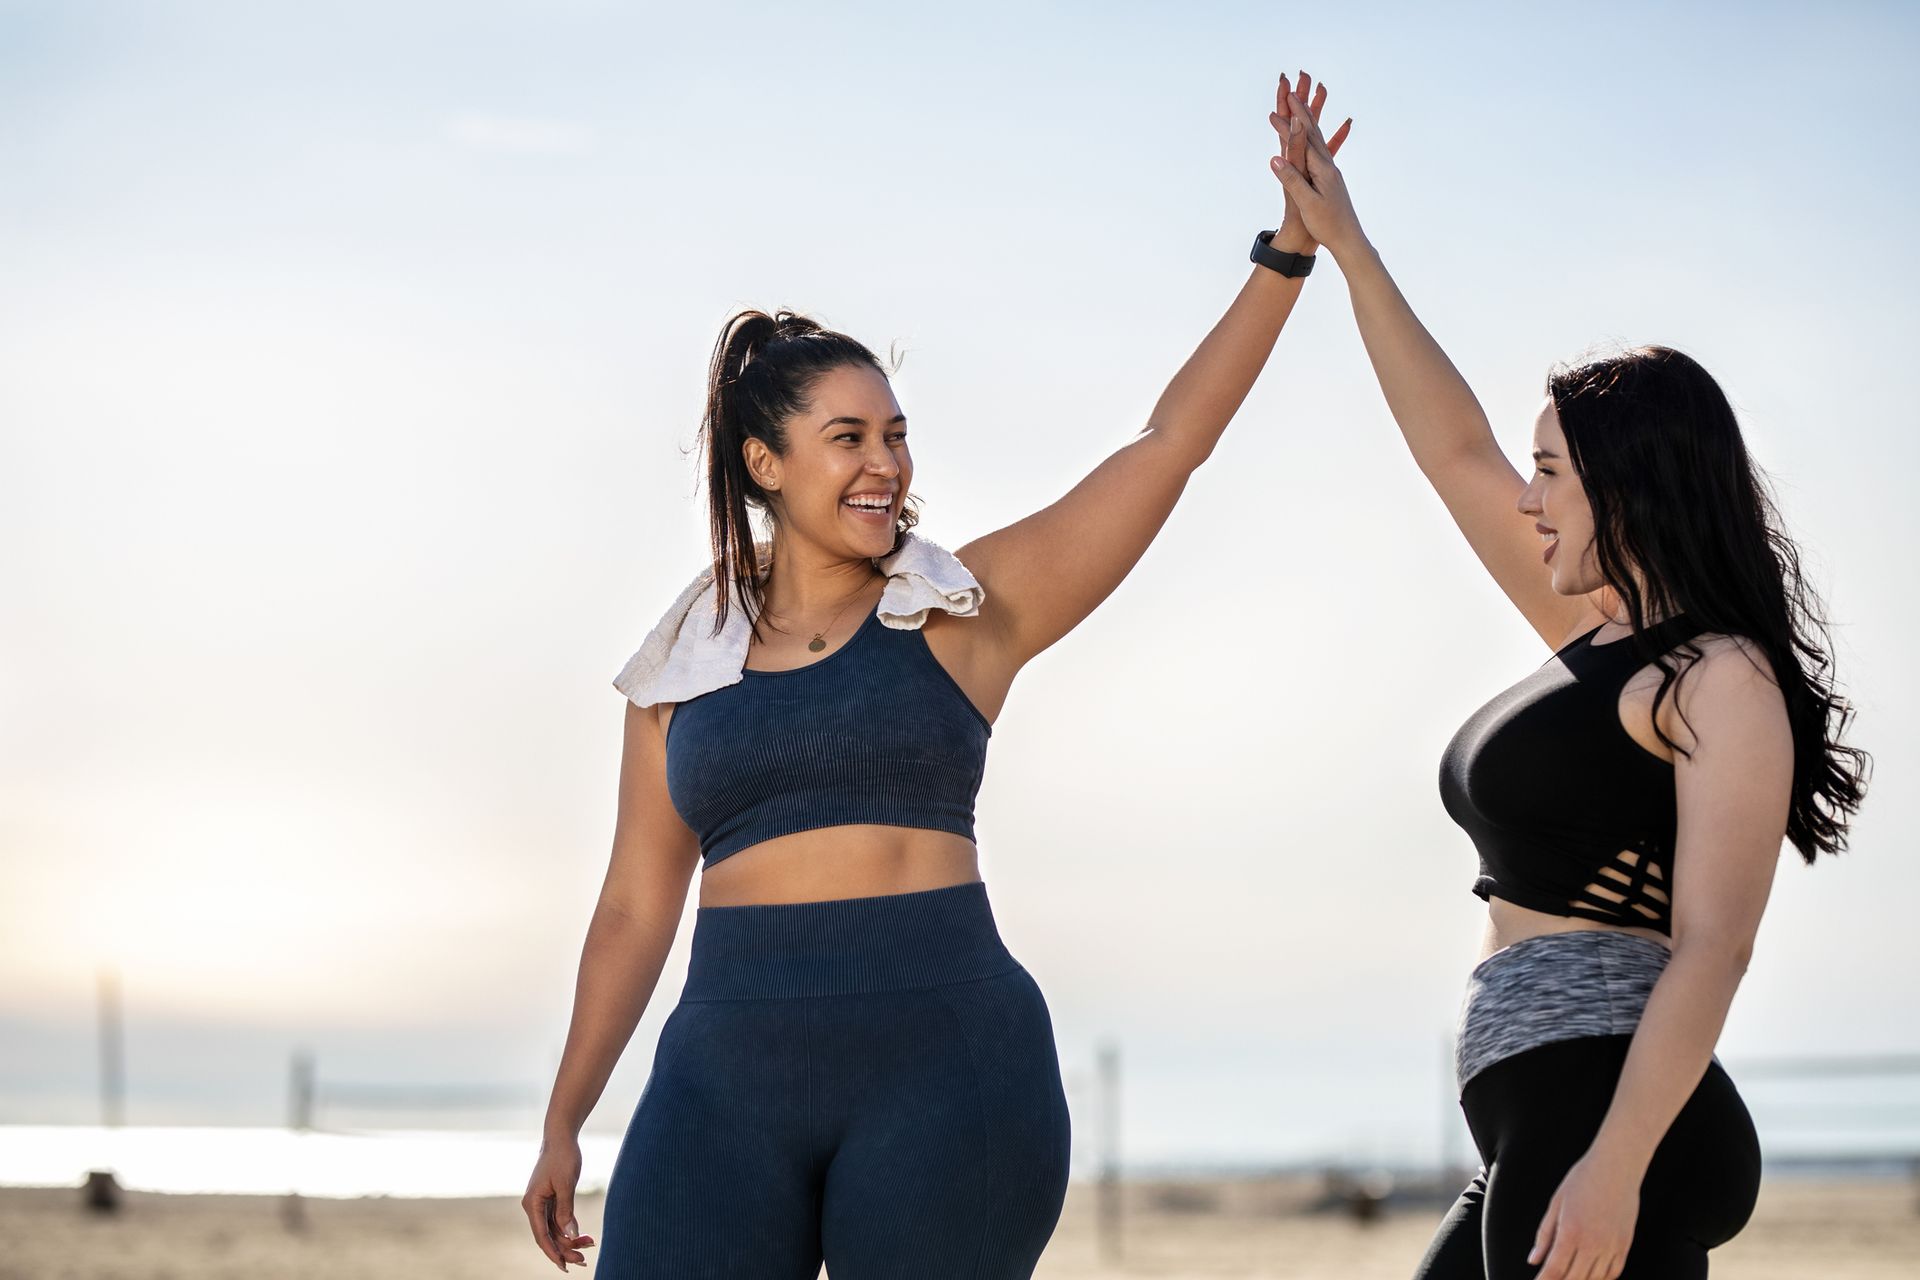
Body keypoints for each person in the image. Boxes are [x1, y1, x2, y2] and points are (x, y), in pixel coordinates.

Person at [519, 73, 1352, 1278]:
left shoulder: (961, 611)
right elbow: (634, 907)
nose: (886, 465)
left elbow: (1167, 447)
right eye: (848, 438)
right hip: (722, 1076)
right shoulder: (681, 658)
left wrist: (1287, 252)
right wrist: (564, 1113)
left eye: (896, 434)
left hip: (950, 1068)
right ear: (765, 461)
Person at [1268, 89, 1870, 1280]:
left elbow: (1714, 948)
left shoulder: (1720, 677)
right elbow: (1451, 452)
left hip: (1604, 1116)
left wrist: (1615, 1164)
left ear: (1628, 488)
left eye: (1549, 470)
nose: (1528, 496)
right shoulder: (1597, 631)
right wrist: (1350, 250)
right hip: (1537, 1115)